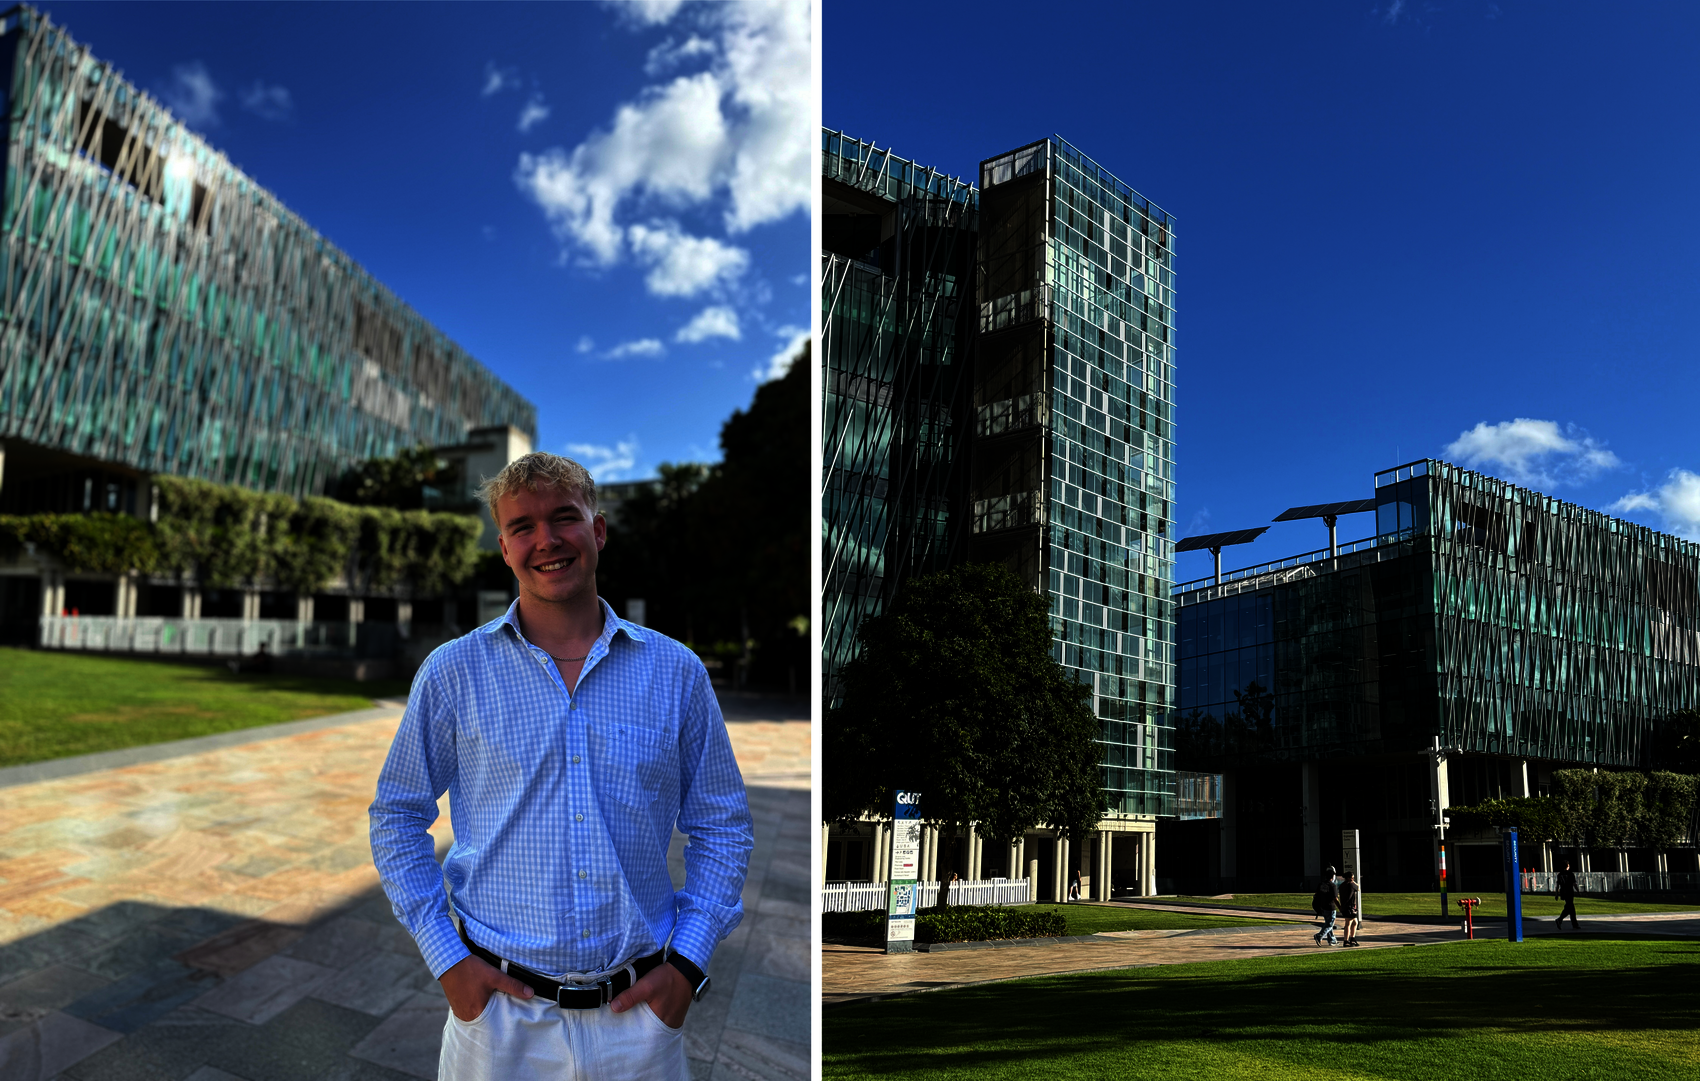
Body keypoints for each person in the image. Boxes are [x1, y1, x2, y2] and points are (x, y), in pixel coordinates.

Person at [369, 453, 753, 1081]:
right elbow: (397, 815)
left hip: (639, 1022)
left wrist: (686, 966)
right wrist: (447, 960)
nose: (545, 540)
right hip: (497, 1021)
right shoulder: (453, 673)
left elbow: (722, 824)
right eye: (522, 526)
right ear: (504, 547)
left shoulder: (675, 671)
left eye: (564, 518)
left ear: (597, 531)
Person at [1311, 865, 1339, 946]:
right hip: (1330, 907)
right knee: (1330, 924)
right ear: (1332, 876)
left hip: (1323, 907)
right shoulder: (1332, 886)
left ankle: (1332, 940)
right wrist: (1340, 907)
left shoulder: (1321, 884)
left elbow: (1316, 895)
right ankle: (1319, 936)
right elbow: (1335, 898)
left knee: (1328, 923)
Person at [1555, 860, 1581, 930]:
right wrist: (1578, 891)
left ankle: (1574, 924)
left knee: (1570, 908)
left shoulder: (1560, 874)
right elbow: (1574, 884)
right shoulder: (1570, 874)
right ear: (1567, 866)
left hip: (1563, 892)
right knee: (1570, 908)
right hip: (1569, 892)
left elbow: (1557, 885)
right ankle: (1560, 919)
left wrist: (1557, 894)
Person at [1340, 870, 1362, 946]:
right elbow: (1358, 888)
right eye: (1352, 878)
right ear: (1349, 878)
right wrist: (1354, 882)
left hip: (1344, 906)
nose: (1353, 879)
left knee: (1354, 922)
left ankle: (1352, 938)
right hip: (1350, 907)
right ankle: (1346, 940)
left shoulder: (1342, 885)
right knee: (1348, 924)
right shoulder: (1351, 885)